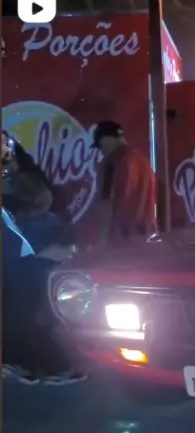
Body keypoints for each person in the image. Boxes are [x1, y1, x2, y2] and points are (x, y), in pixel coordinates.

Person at [2, 208, 86, 386]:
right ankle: (47, 367)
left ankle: (25, 364)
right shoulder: (39, 272)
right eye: (69, 247)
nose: (73, 251)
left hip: (19, 269)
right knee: (32, 319)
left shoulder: (33, 268)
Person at [2, 130, 73, 252]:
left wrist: (22, 219)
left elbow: (46, 198)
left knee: (47, 221)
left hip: (26, 230)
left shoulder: (24, 177)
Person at [90, 120, 157, 246]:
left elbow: (105, 204)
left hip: (121, 240)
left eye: (100, 145)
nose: (101, 150)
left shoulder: (112, 163)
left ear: (108, 139)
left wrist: (102, 244)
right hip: (147, 239)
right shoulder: (143, 161)